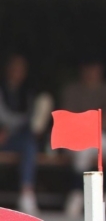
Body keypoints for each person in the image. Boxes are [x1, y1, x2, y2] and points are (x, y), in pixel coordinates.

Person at [61, 57, 106, 220]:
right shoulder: (72, 90)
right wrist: (97, 118)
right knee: (82, 154)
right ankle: (77, 193)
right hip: (76, 137)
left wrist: (86, 119)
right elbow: (67, 120)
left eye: (95, 69)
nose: (92, 73)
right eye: (88, 69)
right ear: (82, 70)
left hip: (101, 135)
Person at [0, 54, 47, 215]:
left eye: (20, 70)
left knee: (29, 144)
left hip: (15, 139)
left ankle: (27, 194)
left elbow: (29, 121)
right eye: (14, 68)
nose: (16, 72)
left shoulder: (28, 93)